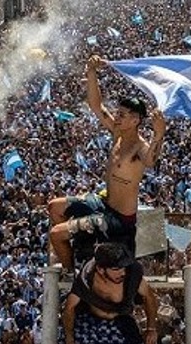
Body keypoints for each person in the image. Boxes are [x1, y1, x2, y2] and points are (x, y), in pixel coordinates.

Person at [48, 55, 166, 273]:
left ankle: (69, 272)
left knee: (56, 234)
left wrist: (159, 133)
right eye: (118, 114)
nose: (117, 118)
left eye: (122, 115)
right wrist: (91, 72)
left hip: (118, 218)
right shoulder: (117, 134)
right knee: (54, 206)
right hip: (103, 202)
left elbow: (151, 160)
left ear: (136, 120)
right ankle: (78, 251)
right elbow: (96, 105)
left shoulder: (140, 148)